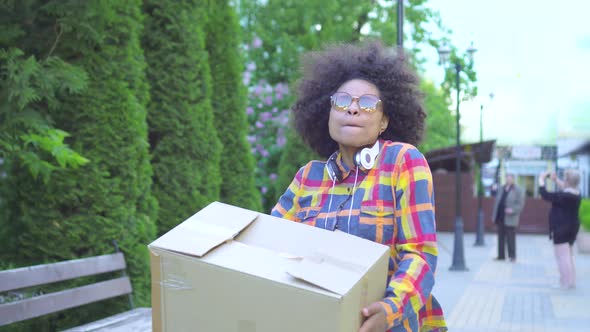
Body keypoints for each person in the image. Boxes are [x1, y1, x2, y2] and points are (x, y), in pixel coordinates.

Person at [271, 41, 446, 332]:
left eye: (367, 104)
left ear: (383, 121)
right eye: (341, 101)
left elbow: (420, 253)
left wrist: (390, 310)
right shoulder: (307, 177)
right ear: (326, 114)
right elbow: (272, 245)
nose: (352, 109)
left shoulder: (403, 162)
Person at [539, 170, 581, 289]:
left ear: (567, 181)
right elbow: (566, 186)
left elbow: (545, 194)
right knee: (568, 255)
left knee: (562, 256)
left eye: (564, 178)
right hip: (572, 227)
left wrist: (541, 179)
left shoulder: (563, 196)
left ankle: (565, 282)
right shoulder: (576, 193)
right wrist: (556, 180)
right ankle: (571, 281)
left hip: (561, 228)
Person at [491, 173, 525, 262]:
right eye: (507, 178)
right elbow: (496, 199)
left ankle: (512, 256)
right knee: (500, 238)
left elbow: (520, 204)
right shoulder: (501, 188)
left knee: (511, 238)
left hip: (511, 218)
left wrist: (513, 210)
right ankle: (501, 256)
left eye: (510, 178)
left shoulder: (517, 190)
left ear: (513, 179)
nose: (508, 180)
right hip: (500, 216)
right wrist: (493, 190)